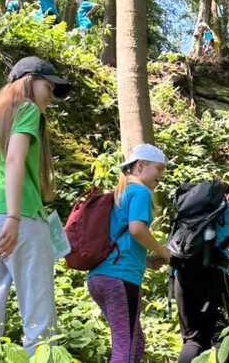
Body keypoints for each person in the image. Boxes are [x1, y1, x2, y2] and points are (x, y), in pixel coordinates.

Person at [0, 56, 71, 357]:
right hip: (17, 218)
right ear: (28, 82)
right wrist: (12, 216)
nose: (50, 94)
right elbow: (14, 159)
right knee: (39, 313)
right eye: (47, 86)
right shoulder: (27, 109)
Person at [87, 143, 171, 363]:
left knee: (135, 342)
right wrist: (163, 250)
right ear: (141, 165)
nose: (161, 176)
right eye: (159, 169)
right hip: (120, 277)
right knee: (125, 346)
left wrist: (147, 259)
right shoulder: (141, 192)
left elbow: (119, 236)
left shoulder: (120, 193)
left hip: (99, 276)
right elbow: (136, 229)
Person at [174, 182, 229, 363]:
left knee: (192, 339)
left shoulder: (187, 207)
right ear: (227, 195)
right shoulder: (228, 207)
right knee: (223, 337)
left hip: (182, 275)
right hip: (214, 277)